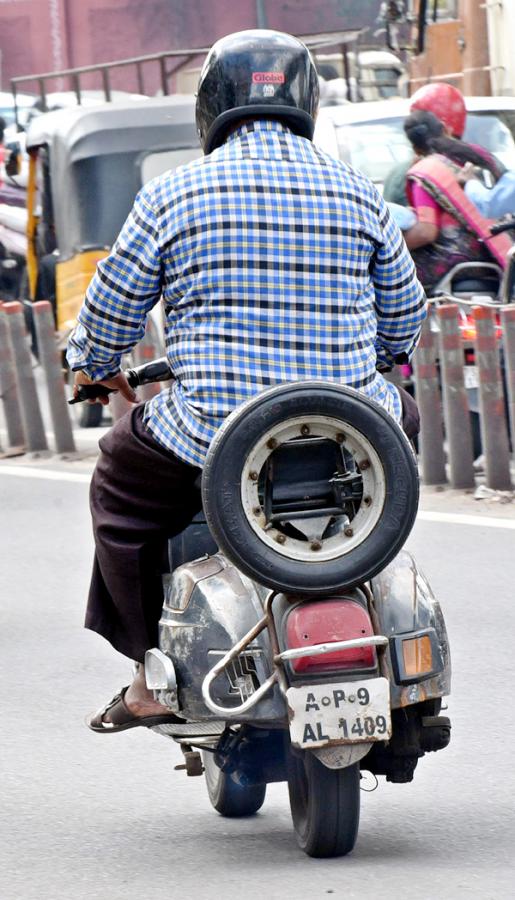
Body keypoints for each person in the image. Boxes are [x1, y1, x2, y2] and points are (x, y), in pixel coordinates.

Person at [66, 29, 426, 734]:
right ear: (307, 103)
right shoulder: (356, 194)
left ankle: (148, 675)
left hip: (210, 437)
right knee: (398, 422)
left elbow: (105, 323)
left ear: (210, 107)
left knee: (119, 485)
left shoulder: (171, 195)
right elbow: (403, 323)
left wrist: (94, 365)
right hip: (348, 429)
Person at [402, 109, 512, 293]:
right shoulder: (479, 155)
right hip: (504, 256)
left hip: (464, 261)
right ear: (445, 129)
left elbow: (426, 232)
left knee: (395, 272)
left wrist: (389, 245)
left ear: (415, 148)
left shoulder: (426, 169)